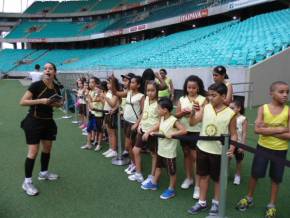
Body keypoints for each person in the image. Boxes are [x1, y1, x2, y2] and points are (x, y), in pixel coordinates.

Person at [236, 81, 289, 218]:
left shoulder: (288, 111)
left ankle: (271, 205)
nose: (285, 95)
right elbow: (257, 130)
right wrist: (279, 129)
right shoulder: (263, 108)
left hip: (280, 150)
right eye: (281, 92)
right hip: (263, 148)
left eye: (287, 92)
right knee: (255, 174)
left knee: (276, 178)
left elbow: (289, 135)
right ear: (271, 93)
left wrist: (267, 129)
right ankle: (249, 198)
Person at [187, 83, 237, 216]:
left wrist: (232, 148)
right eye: (209, 95)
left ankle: (216, 203)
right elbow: (192, 123)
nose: (210, 98)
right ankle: (202, 202)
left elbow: (234, 134)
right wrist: (192, 113)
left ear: (223, 96)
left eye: (214, 95)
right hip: (202, 148)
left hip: (219, 152)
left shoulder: (231, 113)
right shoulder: (206, 107)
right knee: (203, 177)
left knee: (218, 179)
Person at [20, 62, 63, 196]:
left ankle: (43, 173)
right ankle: (27, 182)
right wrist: (41, 101)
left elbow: (57, 104)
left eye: (50, 68)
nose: (47, 70)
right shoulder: (36, 85)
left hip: (48, 122)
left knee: (47, 148)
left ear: (54, 72)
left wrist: (58, 103)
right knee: (33, 151)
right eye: (45, 69)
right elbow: (22, 102)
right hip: (33, 121)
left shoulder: (56, 87)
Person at [141, 98, 187, 200]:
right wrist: (149, 132)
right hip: (161, 150)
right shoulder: (162, 118)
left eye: (158, 108)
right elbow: (158, 126)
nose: (157, 110)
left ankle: (171, 190)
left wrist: (172, 134)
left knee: (172, 172)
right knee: (158, 167)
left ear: (165, 110)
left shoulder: (173, 120)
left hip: (169, 152)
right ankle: (154, 183)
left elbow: (184, 130)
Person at [175, 75, 207, 199]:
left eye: (194, 87)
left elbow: (202, 117)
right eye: (189, 87)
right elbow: (176, 115)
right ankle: (189, 178)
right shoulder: (182, 99)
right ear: (186, 88)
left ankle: (197, 186)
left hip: (197, 131)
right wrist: (183, 113)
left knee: (196, 157)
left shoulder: (203, 99)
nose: (191, 90)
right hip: (183, 131)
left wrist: (193, 113)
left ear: (198, 88)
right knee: (186, 154)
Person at [128, 81, 159, 183]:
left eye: (152, 90)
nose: (150, 93)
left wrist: (149, 131)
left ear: (157, 91)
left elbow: (161, 122)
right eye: (148, 90)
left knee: (154, 154)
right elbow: (143, 113)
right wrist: (139, 124)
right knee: (135, 150)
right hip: (142, 130)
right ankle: (138, 174)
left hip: (152, 133)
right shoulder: (146, 99)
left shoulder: (159, 104)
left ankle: (152, 176)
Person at [81, 77, 103, 151]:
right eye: (89, 82)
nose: (90, 84)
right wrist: (86, 96)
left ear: (96, 83)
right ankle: (88, 144)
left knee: (99, 130)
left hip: (98, 113)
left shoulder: (99, 91)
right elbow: (88, 101)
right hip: (92, 113)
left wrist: (90, 99)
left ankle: (99, 144)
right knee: (89, 129)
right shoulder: (90, 92)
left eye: (92, 82)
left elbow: (96, 100)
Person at [229, 99, 248, 185]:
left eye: (232, 108)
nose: (230, 110)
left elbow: (244, 133)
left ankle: (237, 176)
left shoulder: (243, 119)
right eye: (229, 108)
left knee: (239, 160)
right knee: (227, 158)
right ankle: (224, 174)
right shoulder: (228, 117)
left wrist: (242, 145)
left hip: (239, 143)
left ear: (239, 108)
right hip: (229, 142)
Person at [101, 79, 119, 158]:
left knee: (112, 133)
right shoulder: (108, 92)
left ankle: (114, 150)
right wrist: (102, 97)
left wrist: (105, 97)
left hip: (112, 114)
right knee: (109, 132)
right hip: (106, 113)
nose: (108, 85)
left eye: (110, 83)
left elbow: (112, 104)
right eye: (108, 83)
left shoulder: (115, 93)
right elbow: (105, 103)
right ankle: (111, 148)